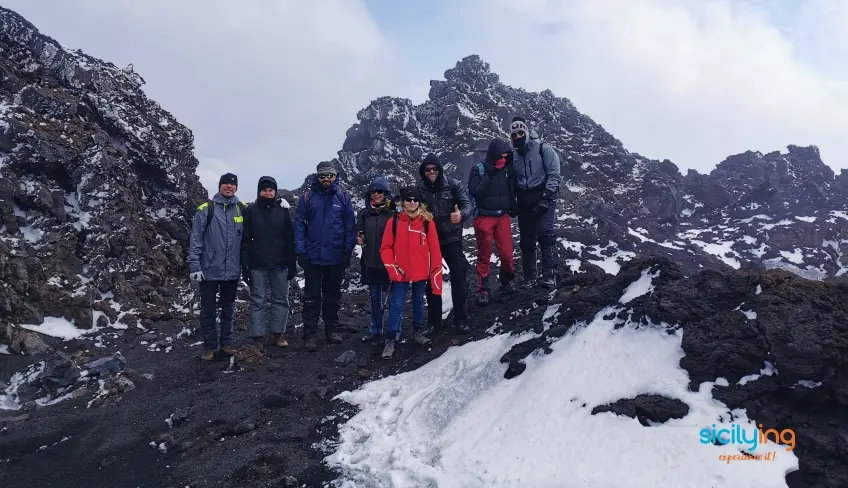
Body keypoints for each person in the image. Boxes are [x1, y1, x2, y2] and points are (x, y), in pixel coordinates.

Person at [293, 161, 356, 352]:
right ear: (317, 177)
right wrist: (301, 251)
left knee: (332, 296)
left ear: (335, 177)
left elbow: (349, 227)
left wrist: (347, 253)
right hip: (312, 257)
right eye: (322, 176)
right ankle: (310, 335)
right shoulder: (307, 198)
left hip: (335, 258)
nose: (326, 179)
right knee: (311, 297)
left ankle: (331, 330)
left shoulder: (343, 198)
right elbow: (298, 226)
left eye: (330, 176)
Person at [187, 172, 247, 361]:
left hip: (232, 271)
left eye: (232, 184)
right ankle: (210, 348)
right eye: (226, 184)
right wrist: (194, 266)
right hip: (208, 270)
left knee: (229, 309)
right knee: (208, 311)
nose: (229, 187)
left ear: (236, 187)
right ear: (220, 186)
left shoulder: (242, 209)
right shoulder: (206, 209)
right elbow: (195, 239)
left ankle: (227, 344)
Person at [379, 187, 442, 358]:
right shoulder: (395, 221)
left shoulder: (427, 222)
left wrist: (435, 272)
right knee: (397, 304)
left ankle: (418, 332)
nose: (412, 203)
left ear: (419, 202)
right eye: (409, 200)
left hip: (421, 271)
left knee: (418, 302)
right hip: (401, 271)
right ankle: (390, 339)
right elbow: (385, 248)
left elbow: (434, 248)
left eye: (415, 200)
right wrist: (393, 269)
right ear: (403, 202)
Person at [416, 153, 473, 335]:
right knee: (432, 281)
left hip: (452, 238)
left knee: (458, 274)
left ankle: (461, 319)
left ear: (440, 169)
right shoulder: (419, 189)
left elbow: (468, 205)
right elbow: (409, 208)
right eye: (428, 170)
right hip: (430, 241)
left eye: (434, 169)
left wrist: (461, 215)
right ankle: (434, 323)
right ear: (423, 172)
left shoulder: (453, 185)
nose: (431, 172)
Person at [241, 176, 297, 348]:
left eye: (270, 190)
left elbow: (290, 238)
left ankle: (278, 334)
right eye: (264, 190)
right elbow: (245, 239)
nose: (267, 193)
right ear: (259, 191)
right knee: (258, 300)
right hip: (258, 264)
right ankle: (257, 337)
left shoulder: (282, 211)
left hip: (280, 263)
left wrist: (292, 263)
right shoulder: (251, 211)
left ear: (275, 191)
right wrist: (246, 266)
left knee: (280, 299)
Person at [509, 116, 561, 288]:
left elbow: (554, 173)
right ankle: (530, 279)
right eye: (514, 135)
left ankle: (549, 275)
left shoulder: (543, 149)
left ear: (526, 131)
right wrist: (513, 201)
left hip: (543, 195)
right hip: (524, 200)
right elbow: (514, 180)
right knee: (526, 241)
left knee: (545, 233)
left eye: (520, 133)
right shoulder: (514, 156)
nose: (517, 137)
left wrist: (547, 197)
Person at [467, 138, 517, 304]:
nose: (503, 160)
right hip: (484, 216)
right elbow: (476, 193)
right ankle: (484, 290)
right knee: (484, 254)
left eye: (505, 157)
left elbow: (510, 190)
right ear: (493, 156)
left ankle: (506, 282)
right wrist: (490, 175)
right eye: (500, 157)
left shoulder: (507, 170)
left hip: (502, 216)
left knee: (507, 254)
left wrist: (513, 206)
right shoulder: (478, 170)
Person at [356, 176, 396, 344]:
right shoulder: (364, 214)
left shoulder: (394, 213)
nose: (377, 194)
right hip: (370, 262)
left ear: (386, 193)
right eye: (373, 192)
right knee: (375, 299)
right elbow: (358, 231)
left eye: (380, 191)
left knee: (393, 300)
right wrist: (359, 238)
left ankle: (393, 331)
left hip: (389, 263)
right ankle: (375, 331)